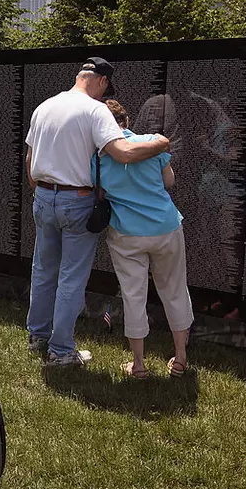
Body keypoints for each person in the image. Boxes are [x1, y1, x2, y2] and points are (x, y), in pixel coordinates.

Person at [24, 57, 170, 367]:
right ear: (102, 81)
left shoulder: (45, 107)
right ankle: (61, 351)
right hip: (76, 200)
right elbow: (123, 152)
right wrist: (159, 144)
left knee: (43, 269)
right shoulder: (95, 110)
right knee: (71, 278)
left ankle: (38, 336)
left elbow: (29, 159)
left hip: (43, 196)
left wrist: (42, 193)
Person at [95, 100, 193, 378]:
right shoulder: (152, 143)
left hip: (126, 233)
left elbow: (99, 193)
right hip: (165, 227)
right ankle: (181, 359)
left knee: (133, 295)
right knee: (174, 290)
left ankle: (138, 365)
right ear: (126, 120)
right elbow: (169, 181)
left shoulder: (98, 158)